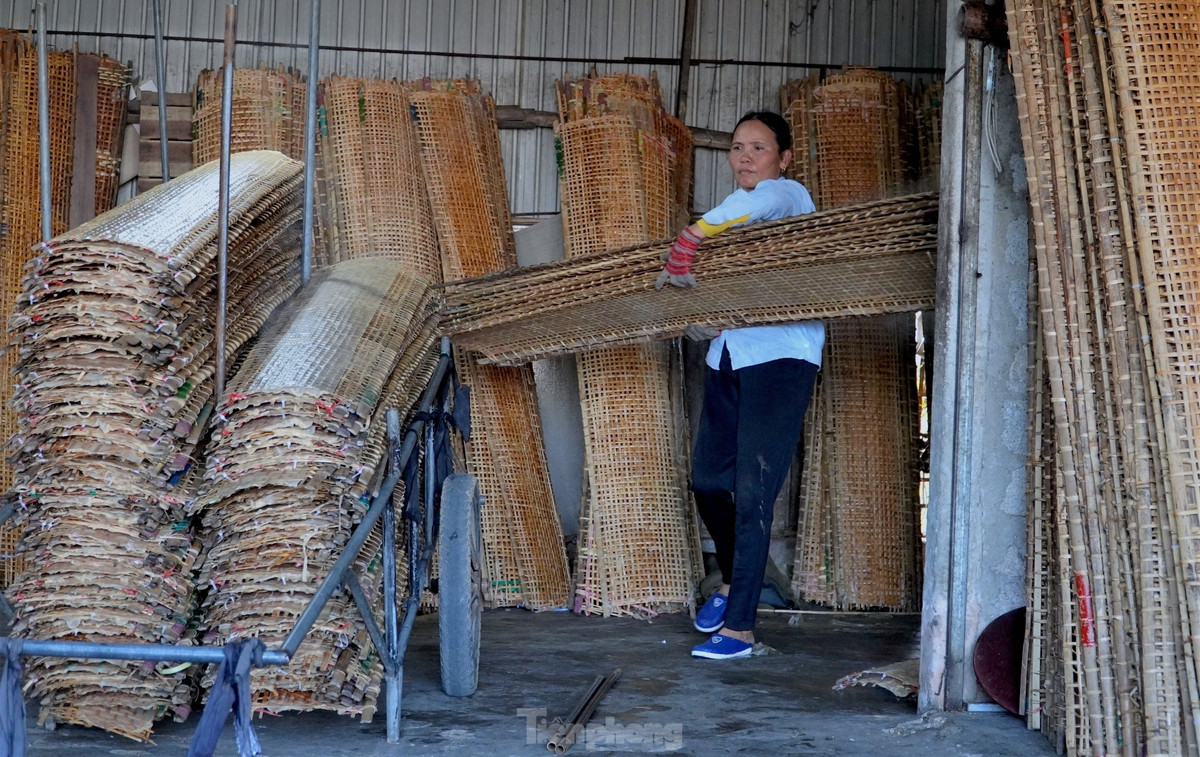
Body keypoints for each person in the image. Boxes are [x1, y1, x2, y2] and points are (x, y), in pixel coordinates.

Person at [656, 111, 824, 660]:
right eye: (736, 148)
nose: (744, 157)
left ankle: (741, 630)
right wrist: (702, 318)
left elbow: (756, 204)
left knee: (754, 492)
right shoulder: (735, 214)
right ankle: (731, 582)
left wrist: (689, 238)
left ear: (784, 158)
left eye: (758, 147)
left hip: (781, 356)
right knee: (707, 480)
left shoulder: (786, 196)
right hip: (729, 354)